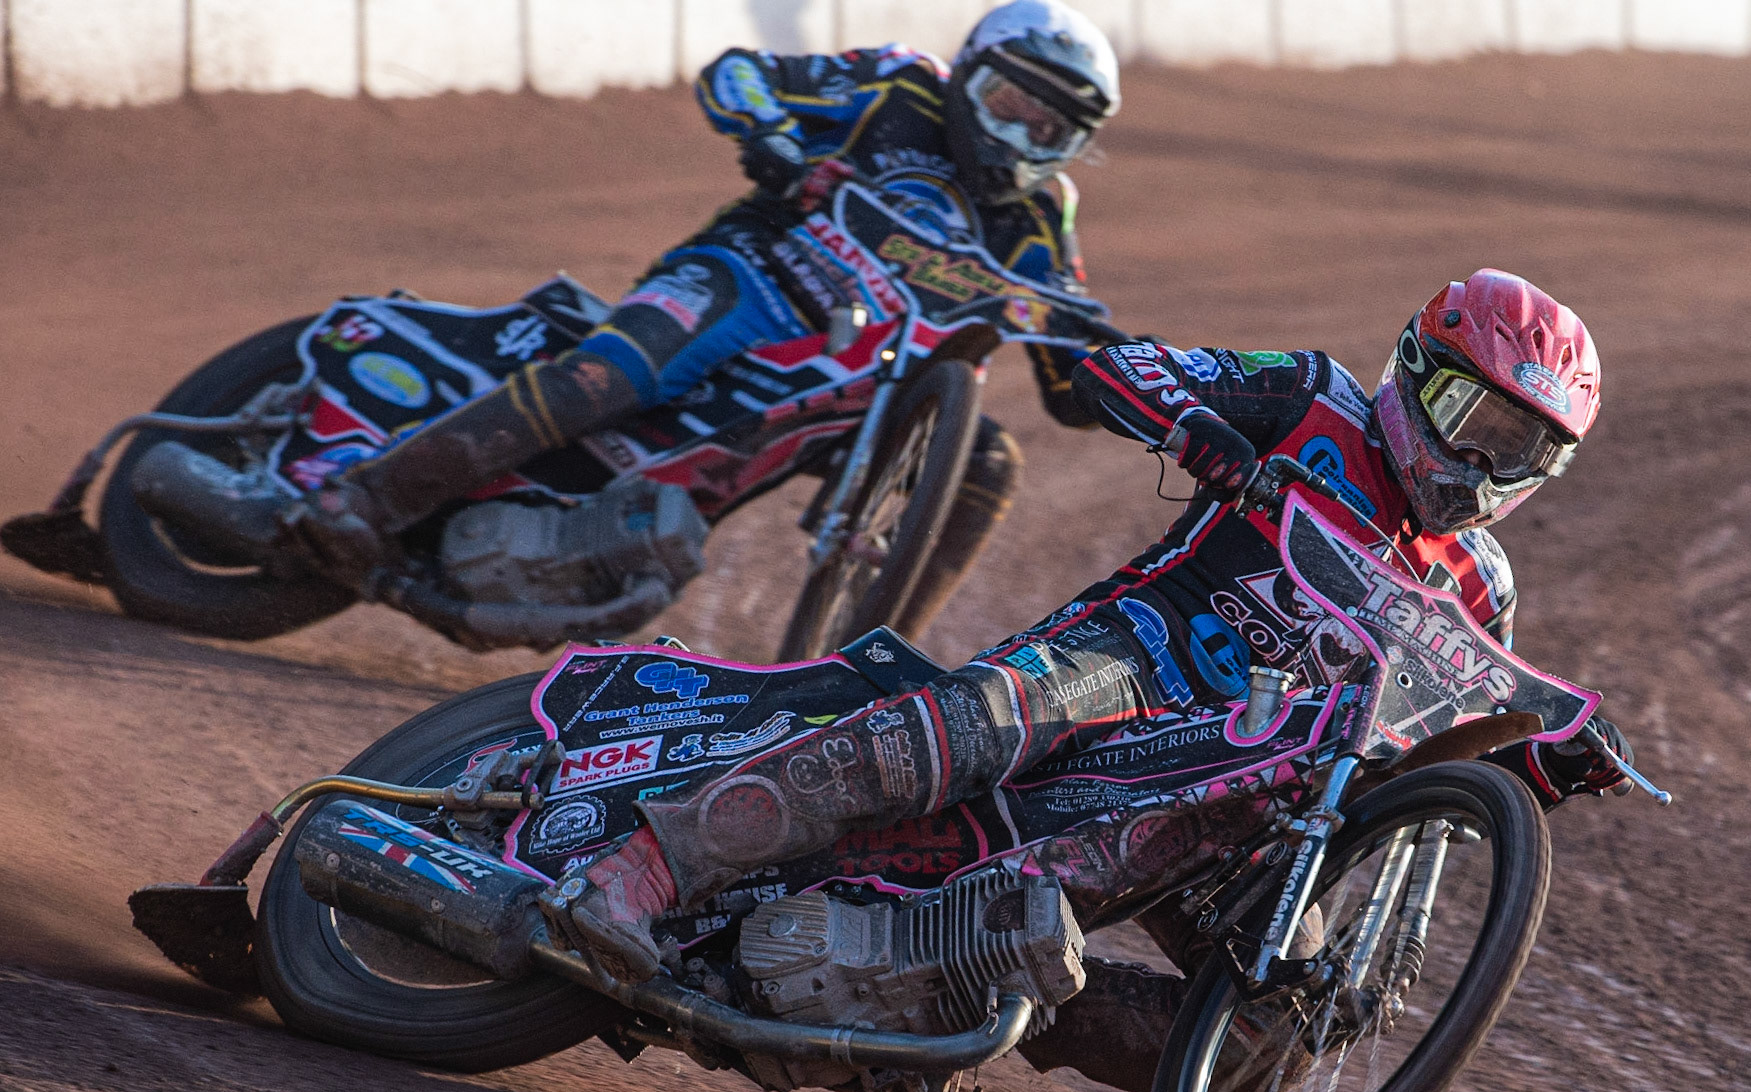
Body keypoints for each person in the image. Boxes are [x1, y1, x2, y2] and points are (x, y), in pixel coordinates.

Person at [553, 267, 1636, 1092]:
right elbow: (1126, 369)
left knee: (1277, 1033)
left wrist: (1547, 753)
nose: (1484, 468)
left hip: (1251, 796)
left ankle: (950, 999)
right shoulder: (1316, 400)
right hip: (1132, 662)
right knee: (971, 728)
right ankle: (646, 868)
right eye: (1478, 426)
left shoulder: (1482, 587)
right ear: (1417, 374)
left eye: (1522, 452)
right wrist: (1206, 435)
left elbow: (1464, 720)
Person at [240, 0, 1123, 633]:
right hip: (753, 276)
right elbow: (738, 75)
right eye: (1011, 106)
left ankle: (871, 667)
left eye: (1050, 131)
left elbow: (1069, 378)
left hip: (860, 386)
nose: (1021, 138)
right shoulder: (901, 85)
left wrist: (1128, 364)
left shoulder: (1043, 219)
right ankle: (365, 496)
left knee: (988, 461)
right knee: (615, 373)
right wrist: (775, 142)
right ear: (972, 73)